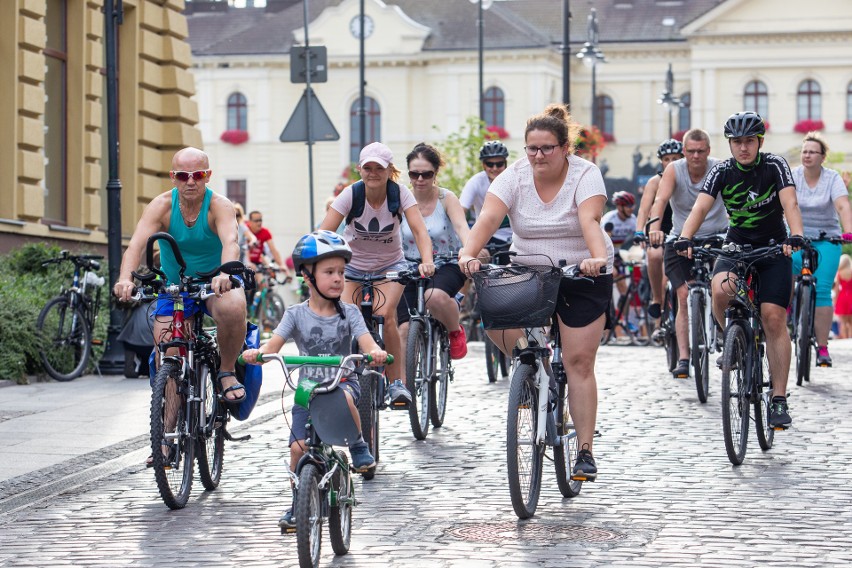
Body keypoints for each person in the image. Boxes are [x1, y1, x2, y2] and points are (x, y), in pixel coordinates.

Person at [458, 103, 613, 481]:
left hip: (582, 271)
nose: (538, 156)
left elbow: (589, 220)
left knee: (578, 363)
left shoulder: (586, 174)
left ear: (564, 148)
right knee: (496, 321)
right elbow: (489, 219)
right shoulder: (513, 177)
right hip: (530, 269)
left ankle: (585, 451)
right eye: (531, 148)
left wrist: (595, 258)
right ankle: (534, 373)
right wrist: (468, 252)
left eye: (546, 148)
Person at [241, 231, 386, 528]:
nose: (338, 279)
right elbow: (275, 344)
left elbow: (366, 341)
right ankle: (297, 503)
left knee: (343, 397)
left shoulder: (351, 313)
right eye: (329, 272)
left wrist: (375, 352)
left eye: (341, 273)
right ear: (307, 277)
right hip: (306, 388)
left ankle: (358, 445)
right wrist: (260, 352)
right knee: (298, 448)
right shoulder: (295, 314)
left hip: (341, 382)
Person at [113, 147, 248, 461]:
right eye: (183, 175)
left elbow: (231, 241)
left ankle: (226, 371)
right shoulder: (161, 205)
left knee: (232, 307)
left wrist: (226, 273)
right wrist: (125, 279)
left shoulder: (219, 206)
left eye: (198, 175)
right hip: (175, 288)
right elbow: (136, 245)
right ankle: (166, 437)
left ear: (207, 176)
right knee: (169, 355)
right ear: (173, 177)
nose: (190, 182)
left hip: (216, 282)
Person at [674, 111, 804, 428]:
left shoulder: (774, 165)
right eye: (736, 142)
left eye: (749, 141)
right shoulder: (721, 171)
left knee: (773, 316)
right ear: (730, 144)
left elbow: (790, 204)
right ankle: (732, 340)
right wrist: (684, 238)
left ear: (759, 142)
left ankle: (778, 398)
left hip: (774, 247)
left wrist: (795, 235)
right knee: (721, 290)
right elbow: (701, 207)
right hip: (737, 245)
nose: (743, 148)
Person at [319, 142, 435, 409]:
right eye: (367, 168)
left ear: (389, 170)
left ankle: (396, 383)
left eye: (379, 168)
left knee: (385, 314)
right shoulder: (350, 195)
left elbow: (419, 231)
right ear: (360, 169)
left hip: (389, 266)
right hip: (352, 267)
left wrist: (427, 261)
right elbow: (325, 232)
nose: (373, 173)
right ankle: (344, 377)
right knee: (349, 317)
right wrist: (316, 265)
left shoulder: (400, 194)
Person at [647, 129, 728, 378]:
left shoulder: (720, 169)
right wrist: (655, 228)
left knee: (723, 287)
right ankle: (684, 357)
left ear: (708, 151)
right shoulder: (674, 170)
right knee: (683, 295)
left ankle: (726, 336)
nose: (695, 156)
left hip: (717, 236)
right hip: (681, 238)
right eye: (690, 151)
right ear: (684, 152)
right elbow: (660, 200)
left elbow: (733, 202)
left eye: (700, 151)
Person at [397, 143, 471, 360]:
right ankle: (404, 382)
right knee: (402, 326)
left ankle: (454, 330)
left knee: (434, 297)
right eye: (414, 174)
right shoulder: (401, 201)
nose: (420, 179)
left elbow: (461, 228)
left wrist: (468, 251)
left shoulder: (446, 199)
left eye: (426, 174)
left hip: (446, 263)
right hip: (408, 266)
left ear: (435, 173)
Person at [790, 131, 852, 366]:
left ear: (822, 157)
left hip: (828, 239)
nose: (806, 156)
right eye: (804, 151)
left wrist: (848, 230)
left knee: (824, 288)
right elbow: (784, 203)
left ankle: (823, 347)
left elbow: (842, 205)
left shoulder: (832, 178)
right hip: (797, 237)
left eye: (812, 152)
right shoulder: (793, 175)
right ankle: (783, 320)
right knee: (784, 276)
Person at [634, 139, 684, 319]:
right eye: (667, 159)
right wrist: (639, 231)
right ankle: (657, 299)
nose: (671, 163)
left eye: (676, 159)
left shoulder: (686, 178)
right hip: (658, 229)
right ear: (661, 161)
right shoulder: (655, 182)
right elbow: (644, 209)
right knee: (654, 255)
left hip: (682, 229)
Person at [460, 141, 513, 260]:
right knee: (475, 263)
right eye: (490, 164)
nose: (494, 168)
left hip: (513, 237)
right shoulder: (475, 182)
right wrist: (469, 243)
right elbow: (460, 212)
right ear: (483, 165)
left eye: (499, 164)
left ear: (505, 163)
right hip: (487, 237)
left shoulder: (513, 179)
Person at [834, 254, 852, 339]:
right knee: (851, 323)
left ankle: (845, 339)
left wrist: (835, 301)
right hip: (851, 297)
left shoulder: (839, 274)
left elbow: (837, 289)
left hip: (842, 297)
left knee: (843, 322)